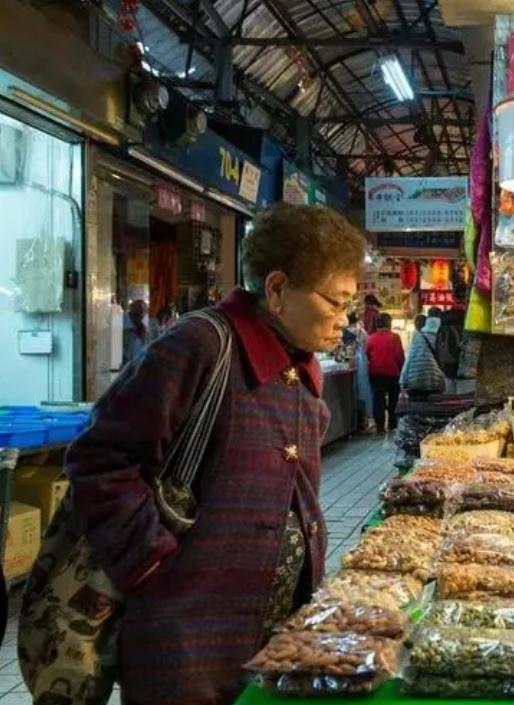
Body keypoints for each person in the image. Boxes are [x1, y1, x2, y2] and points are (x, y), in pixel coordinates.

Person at [21, 204, 365, 705]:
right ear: (275, 288)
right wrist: (151, 564)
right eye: (335, 302)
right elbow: (100, 459)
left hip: (271, 632)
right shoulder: (200, 345)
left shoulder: (300, 363)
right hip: (185, 640)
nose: (345, 320)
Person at [367, 313, 405, 433]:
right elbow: (400, 356)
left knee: (378, 400)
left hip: (375, 373)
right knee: (393, 399)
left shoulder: (371, 338)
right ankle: (392, 425)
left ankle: (379, 427)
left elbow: (367, 356)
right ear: (390, 323)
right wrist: (402, 371)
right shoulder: (395, 337)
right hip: (393, 373)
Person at [400, 308, 445, 399]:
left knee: (416, 408)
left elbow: (410, 357)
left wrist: (403, 379)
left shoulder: (418, 334)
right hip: (434, 379)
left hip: (415, 377)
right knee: (433, 409)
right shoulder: (442, 334)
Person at [345, 312, 375, 432]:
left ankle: (361, 421)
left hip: (357, 364)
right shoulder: (361, 330)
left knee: (358, 392)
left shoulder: (350, 332)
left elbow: (347, 351)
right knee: (364, 392)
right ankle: (365, 419)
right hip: (363, 363)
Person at [122, 299, 150, 365]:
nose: (139, 318)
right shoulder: (121, 324)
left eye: (141, 315)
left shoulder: (143, 328)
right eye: (136, 315)